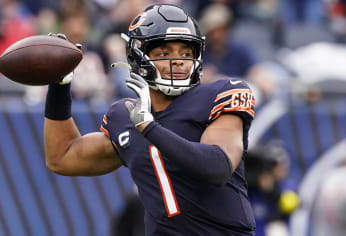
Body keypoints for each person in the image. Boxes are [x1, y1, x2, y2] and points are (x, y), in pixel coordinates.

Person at [44, 4, 256, 235]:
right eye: (164, 53)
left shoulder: (221, 93)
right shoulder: (125, 117)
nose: (178, 61)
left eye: (186, 52)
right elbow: (62, 157)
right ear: (138, 55)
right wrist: (59, 86)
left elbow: (217, 167)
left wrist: (148, 126)